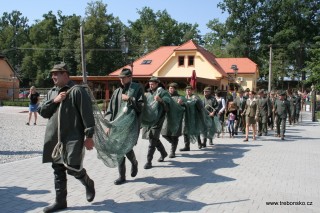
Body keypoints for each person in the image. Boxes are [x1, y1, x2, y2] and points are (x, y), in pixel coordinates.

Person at [38, 62, 95, 212]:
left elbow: (88, 116)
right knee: (57, 169)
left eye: (56, 73)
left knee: (73, 168)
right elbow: (43, 112)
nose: (53, 76)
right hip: (55, 138)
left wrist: (89, 137)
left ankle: (88, 182)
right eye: (52, 74)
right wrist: (54, 100)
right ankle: (60, 202)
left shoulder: (77, 91)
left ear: (65, 74)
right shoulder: (52, 92)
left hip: (72, 137)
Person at [105, 68, 143, 185]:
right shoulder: (117, 92)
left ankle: (134, 162)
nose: (121, 80)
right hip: (117, 126)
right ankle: (122, 176)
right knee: (119, 149)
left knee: (126, 147)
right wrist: (108, 125)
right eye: (120, 78)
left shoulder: (137, 88)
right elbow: (110, 110)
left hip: (130, 125)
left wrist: (130, 99)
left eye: (123, 77)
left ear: (130, 77)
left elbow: (141, 106)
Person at [142, 77, 169, 169]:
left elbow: (168, 107)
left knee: (152, 140)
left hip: (158, 120)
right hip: (148, 120)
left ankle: (149, 161)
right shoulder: (147, 93)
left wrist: (161, 100)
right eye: (149, 84)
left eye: (152, 83)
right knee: (153, 138)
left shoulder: (163, 93)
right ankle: (164, 153)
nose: (150, 85)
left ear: (157, 84)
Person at [161, 82, 185, 158]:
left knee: (174, 135)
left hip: (176, 119)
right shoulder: (165, 96)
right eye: (169, 88)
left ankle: (172, 151)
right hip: (166, 118)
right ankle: (173, 143)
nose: (170, 89)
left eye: (172, 88)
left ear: (175, 89)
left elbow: (185, 105)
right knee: (164, 133)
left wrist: (182, 103)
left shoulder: (180, 97)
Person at [179, 85, 203, 151]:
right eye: (187, 90)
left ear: (192, 91)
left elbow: (192, 103)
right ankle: (187, 146)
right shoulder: (184, 98)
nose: (188, 91)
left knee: (195, 129)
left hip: (194, 116)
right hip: (186, 116)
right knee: (185, 130)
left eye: (189, 90)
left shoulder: (195, 97)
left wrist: (183, 104)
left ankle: (199, 143)